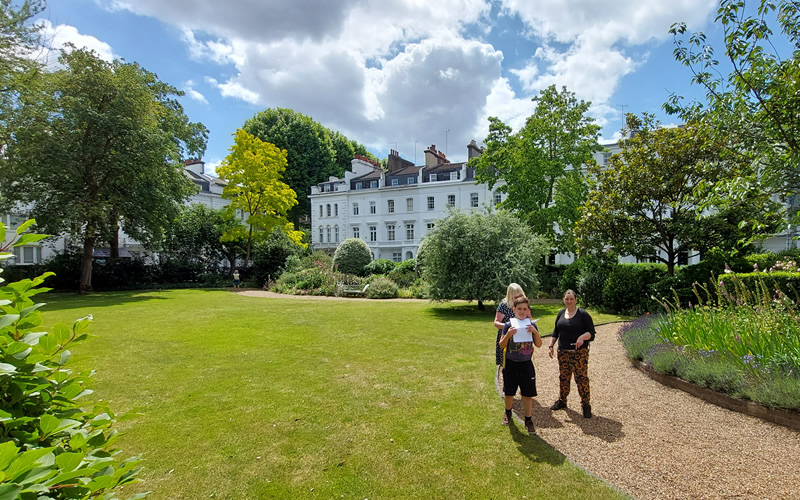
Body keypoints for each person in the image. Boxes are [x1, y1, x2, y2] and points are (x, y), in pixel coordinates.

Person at [548, 289, 596, 418]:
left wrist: (582, 337)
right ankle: (562, 401)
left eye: (571, 299)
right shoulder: (561, 313)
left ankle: (586, 404)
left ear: (575, 300)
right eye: (566, 299)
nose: (569, 301)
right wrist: (551, 345)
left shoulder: (583, 314)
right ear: (564, 300)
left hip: (579, 353)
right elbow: (556, 331)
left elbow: (591, 333)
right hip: (563, 352)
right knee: (564, 378)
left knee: (581, 379)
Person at [498, 296, 542, 434]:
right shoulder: (508, 325)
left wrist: (535, 332)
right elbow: (501, 345)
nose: (522, 312)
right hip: (511, 364)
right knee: (509, 392)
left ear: (528, 310)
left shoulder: (532, 325)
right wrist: (508, 335)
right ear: (514, 310)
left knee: (528, 394)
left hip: (526, 364)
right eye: (519, 309)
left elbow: (539, 344)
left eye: (524, 309)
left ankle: (528, 420)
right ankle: (508, 413)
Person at [493, 283, 532, 367]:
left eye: (520, 296)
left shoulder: (524, 304)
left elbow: (530, 319)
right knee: (507, 365)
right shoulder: (504, 305)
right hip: (507, 336)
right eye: (516, 297)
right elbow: (496, 322)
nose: (519, 298)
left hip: (522, 337)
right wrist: (509, 326)